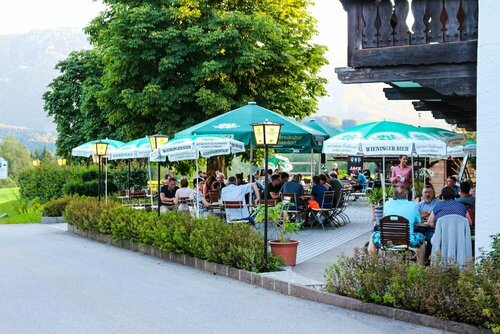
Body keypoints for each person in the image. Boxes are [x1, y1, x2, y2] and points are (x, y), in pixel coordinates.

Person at [367, 186, 426, 265]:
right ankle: (420, 267)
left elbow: (386, 218)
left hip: (387, 239)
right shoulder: (413, 205)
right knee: (422, 241)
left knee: (373, 237)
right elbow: (418, 222)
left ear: (394, 195)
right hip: (408, 239)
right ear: (407, 195)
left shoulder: (387, 204)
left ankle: (373, 265)